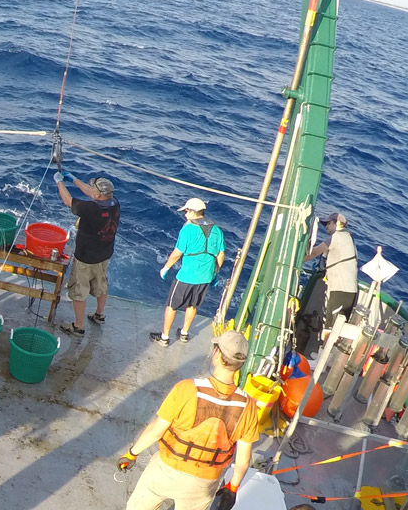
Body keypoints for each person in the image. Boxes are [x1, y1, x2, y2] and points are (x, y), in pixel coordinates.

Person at [118, 331, 260, 510]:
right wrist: (233, 486)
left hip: (166, 470)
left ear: (216, 354)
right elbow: (243, 459)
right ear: (240, 364)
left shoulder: (186, 389)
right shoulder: (248, 406)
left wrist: (132, 453)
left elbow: (156, 430)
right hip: (204, 482)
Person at [54, 171, 119, 335]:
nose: (90, 190)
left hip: (86, 257)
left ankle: (78, 326)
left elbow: (68, 201)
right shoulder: (114, 203)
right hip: (104, 255)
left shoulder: (90, 208)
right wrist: (74, 180)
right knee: (101, 284)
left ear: (97, 194)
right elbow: (93, 193)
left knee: (79, 291)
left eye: (92, 188)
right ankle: (99, 314)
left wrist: (59, 182)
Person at [155, 198, 225, 346]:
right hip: (206, 276)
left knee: (172, 305)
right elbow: (221, 254)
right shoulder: (216, 230)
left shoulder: (188, 229)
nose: (185, 213)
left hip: (187, 275)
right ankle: (184, 333)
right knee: (193, 305)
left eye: (186, 211)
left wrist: (166, 267)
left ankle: (164, 337)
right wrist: (215, 272)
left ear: (193, 212)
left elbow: (177, 253)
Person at [299, 212, 357, 355]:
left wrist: (296, 261)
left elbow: (314, 253)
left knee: (330, 325)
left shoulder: (337, 237)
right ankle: (328, 356)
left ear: (336, 223)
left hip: (341, 289)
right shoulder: (348, 238)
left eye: (328, 224)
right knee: (338, 325)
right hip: (348, 290)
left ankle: (322, 357)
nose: (326, 227)